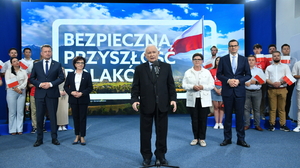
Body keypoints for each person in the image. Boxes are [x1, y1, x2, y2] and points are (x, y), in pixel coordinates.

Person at [131, 44, 177, 166]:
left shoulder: (166, 67)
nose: (151, 55)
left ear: (158, 53)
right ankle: (146, 157)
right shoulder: (140, 69)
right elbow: (135, 87)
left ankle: (161, 155)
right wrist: (135, 99)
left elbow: (170, 85)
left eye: (153, 52)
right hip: (146, 105)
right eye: (149, 53)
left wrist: (173, 99)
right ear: (145, 55)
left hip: (162, 105)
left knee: (162, 132)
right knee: (145, 133)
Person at [216, 39, 251, 148]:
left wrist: (239, 81)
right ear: (228, 47)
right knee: (228, 117)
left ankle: (241, 139)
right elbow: (219, 75)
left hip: (240, 91)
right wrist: (228, 80)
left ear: (238, 47)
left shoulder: (244, 59)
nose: (233, 47)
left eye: (235, 46)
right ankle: (227, 139)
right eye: (231, 46)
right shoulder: (223, 59)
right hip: (227, 92)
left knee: (240, 117)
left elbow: (248, 75)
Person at [29, 44, 65, 147]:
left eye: (49, 51)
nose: (47, 53)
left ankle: (54, 138)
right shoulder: (36, 65)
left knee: (53, 117)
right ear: (41, 53)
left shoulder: (57, 65)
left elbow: (61, 78)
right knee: (39, 117)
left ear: (51, 52)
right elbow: (31, 79)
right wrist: (40, 84)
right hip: (40, 94)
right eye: (45, 51)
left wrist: (50, 84)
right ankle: (39, 139)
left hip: (52, 94)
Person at [182, 53, 214, 147]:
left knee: (203, 119)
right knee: (194, 119)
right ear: (192, 61)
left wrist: (203, 86)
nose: (197, 61)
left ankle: (202, 138)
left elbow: (211, 85)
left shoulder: (206, 72)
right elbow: (184, 85)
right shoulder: (188, 72)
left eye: (199, 59)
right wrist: (192, 86)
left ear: (202, 61)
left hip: (204, 98)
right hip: (193, 98)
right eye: (195, 59)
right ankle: (195, 138)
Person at [64, 56, 93, 145]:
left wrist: (81, 93)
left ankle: (83, 136)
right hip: (73, 99)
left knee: (82, 118)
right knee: (75, 118)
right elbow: (66, 87)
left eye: (82, 63)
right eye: (78, 63)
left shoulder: (87, 75)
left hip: (83, 99)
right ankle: (77, 135)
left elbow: (90, 88)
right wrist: (71, 92)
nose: (80, 64)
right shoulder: (70, 74)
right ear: (75, 64)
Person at [265, 51, 291, 132]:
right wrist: (273, 84)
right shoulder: (269, 67)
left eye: (278, 56)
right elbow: (266, 78)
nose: (276, 57)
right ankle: (271, 124)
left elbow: (288, 77)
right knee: (272, 108)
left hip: (282, 89)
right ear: (272, 57)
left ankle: (283, 125)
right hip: (271, 89)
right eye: (275, 56)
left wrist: (280, 83)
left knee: (282, 108)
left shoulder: (285, 67)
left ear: (280, 57)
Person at [5, 57, 28, 135]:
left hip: (22, 91)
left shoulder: (23, 71)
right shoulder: (8, 71)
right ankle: (12, 130)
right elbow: (8, 81)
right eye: (14, 61)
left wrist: (20, 88)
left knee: (20, 111)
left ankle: (19, 129)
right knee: (12, 112)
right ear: (11, 63)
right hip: (11, 92)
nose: (16, 62)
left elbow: (25, 81)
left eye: (17, 61)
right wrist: (16, 88)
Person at [244, 55, 265, 131]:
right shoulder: (243, 71)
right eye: (249, 60)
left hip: (257, 92)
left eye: (253, 60)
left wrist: (255, 82)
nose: (251, 61)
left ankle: (257, 125)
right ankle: (246, 124)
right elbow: (239, 80)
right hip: (246, 91)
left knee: (256, 109)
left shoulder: (259, 70)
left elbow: (263, 81)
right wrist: (244, 83)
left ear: (255, 61)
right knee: (246, 109)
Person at [281, 44, 297, 120]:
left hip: (290, 81)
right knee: (281, 99)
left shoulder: (294, 59)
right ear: (282, 50)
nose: (286, 50)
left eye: (288, 48)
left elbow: (294, 71)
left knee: (288, 98)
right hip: (281, 81)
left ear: (290, 50)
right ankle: (280, 115)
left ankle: (286, 115)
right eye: (284, 49)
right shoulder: (279, 59)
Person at [209, 57, 224, 129]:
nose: (219, 62)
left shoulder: (226, 71)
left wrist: (221, 89)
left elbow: (226, 81)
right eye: (217, 60)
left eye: (220, 60)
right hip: (214, 89)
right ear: (215, 62)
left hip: (223, 89)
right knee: (215, 107)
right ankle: (216, 122)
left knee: (221, 107)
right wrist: (216, 89)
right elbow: (210, 81)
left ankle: (220, 123)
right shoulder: (211, 70)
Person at [205, 46, 218, 117]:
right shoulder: (208, 61)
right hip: (210, 80)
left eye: (214, 50)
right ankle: (212, 111)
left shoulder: (220, 60)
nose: (213, 51)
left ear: (216, 51)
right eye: (212, 50)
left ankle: (220, 110)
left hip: (218, 80)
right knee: (211, 96)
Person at [57, 67, 69, 131]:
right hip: (57, 95)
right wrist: (59, 91)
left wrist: (65, 91)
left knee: (64, 110)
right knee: (59, 110)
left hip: (65, 95)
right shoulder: (55, 78)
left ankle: (64, 125)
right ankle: (59, 125)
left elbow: (69, 86)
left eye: (63, 70)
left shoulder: (66, 79)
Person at [292, 60, 300, 132]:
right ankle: (299, 125)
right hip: (299, 88)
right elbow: (294, 75)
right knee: (299, 108)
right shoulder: (297, 63)